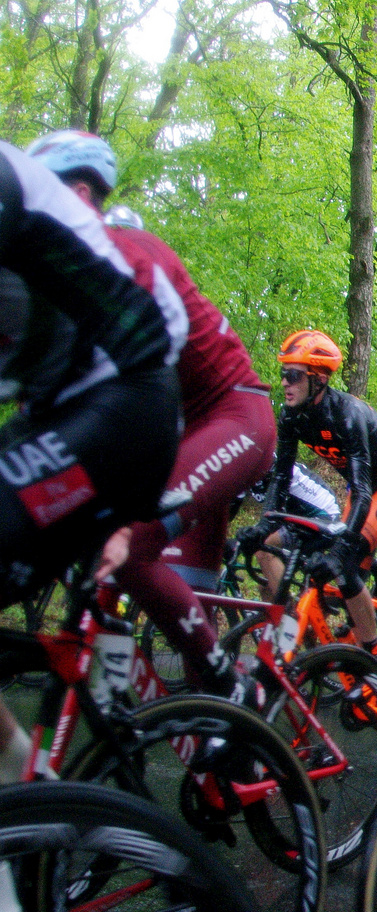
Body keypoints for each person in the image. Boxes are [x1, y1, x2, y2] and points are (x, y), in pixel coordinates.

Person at [0, 141, 184, 912]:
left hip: (131, 405)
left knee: (181, 572)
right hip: (74, 413)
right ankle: (33, 785)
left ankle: (229, 682)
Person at [28, 130, 275, 701]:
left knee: (127, 544)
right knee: (152, 592)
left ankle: (233, 687)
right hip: (183, 434)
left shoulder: (130, 248)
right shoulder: (69, 269)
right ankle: (220, 759)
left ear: (82, 194)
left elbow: (139, 381)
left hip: (235, 417)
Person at [237, 330, 377, 656]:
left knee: (345, 562)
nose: (285, 384)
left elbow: (362, 490)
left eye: (293, 376)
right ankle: (316, 639)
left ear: (318, 378)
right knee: (328, 571)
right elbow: (281, 475)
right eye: (283, 375)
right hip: (361, 489)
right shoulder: (291, 415)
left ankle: (373, 662)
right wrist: (265, 524)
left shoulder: (347, 414)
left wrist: (340, 552)